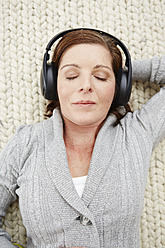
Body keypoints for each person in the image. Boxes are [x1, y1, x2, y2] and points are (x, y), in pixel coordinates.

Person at [0, 29, 164, 248]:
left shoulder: (136, 133)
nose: (86, 85)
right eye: (71, 75)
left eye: (101, 76)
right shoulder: (27, 142)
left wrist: (125, 71)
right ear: (52, 83)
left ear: (119, 87)